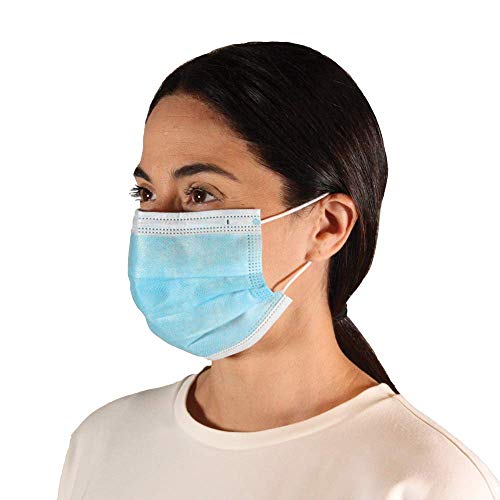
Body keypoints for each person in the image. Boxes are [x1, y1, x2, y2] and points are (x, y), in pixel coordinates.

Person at [57, 41, 500, 499]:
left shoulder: (424, 480)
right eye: (146, 194)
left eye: (201, 194)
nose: (161, 229)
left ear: (327, 226)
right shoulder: (104, 443)